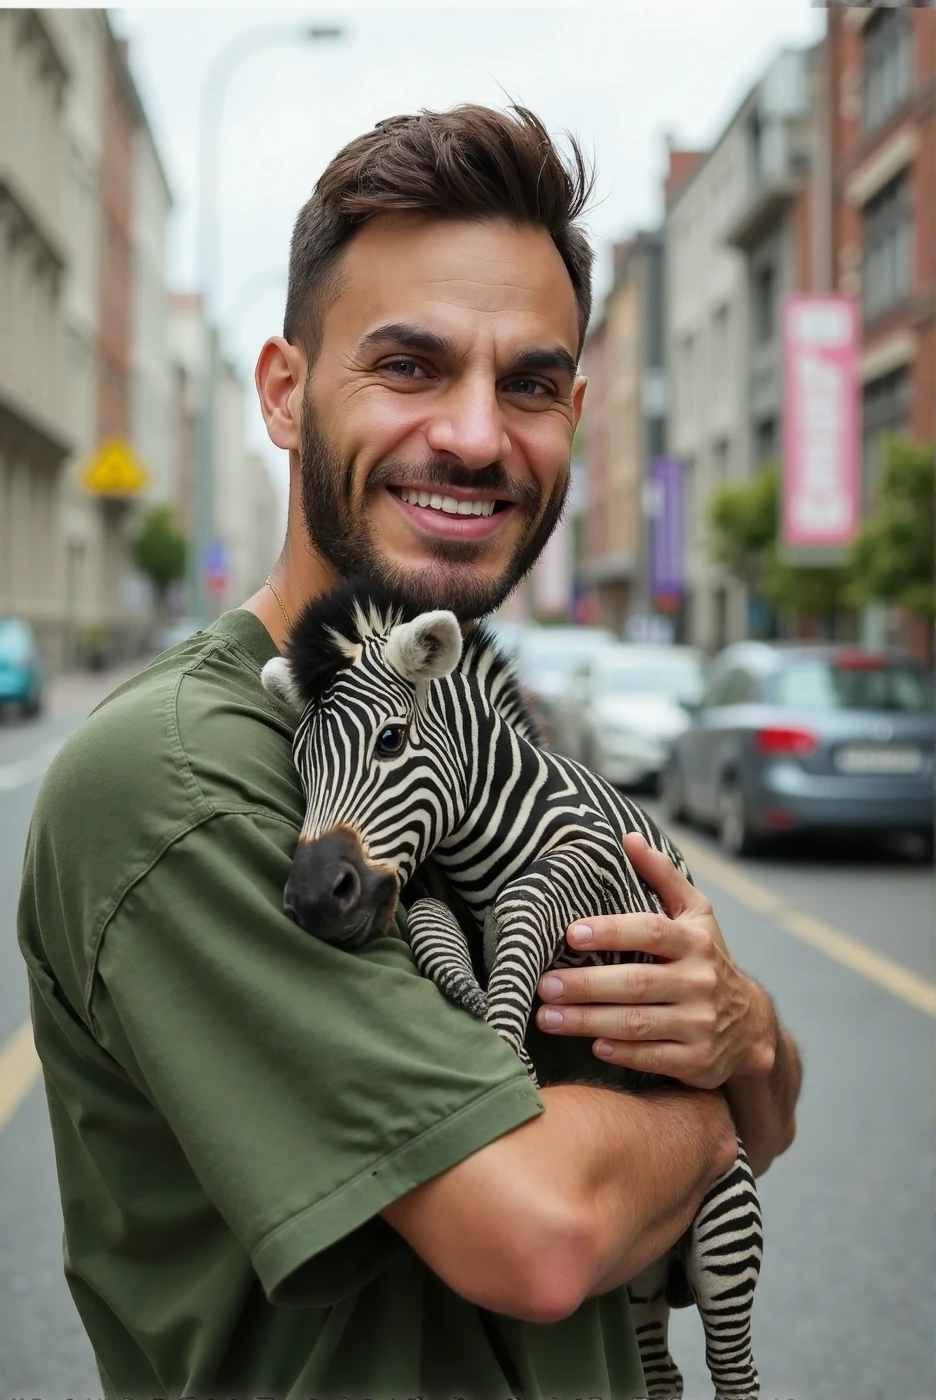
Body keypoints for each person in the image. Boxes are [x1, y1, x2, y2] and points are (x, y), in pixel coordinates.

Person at [18, 105, 801, 1400]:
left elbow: (756, 1108)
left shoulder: (484, 738)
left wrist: (745, 1025)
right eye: (411, 365)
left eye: (532, 384)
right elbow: (546, 1235)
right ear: (284, 391)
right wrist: (712, 1106)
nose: (481, 437)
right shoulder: (180, 777)